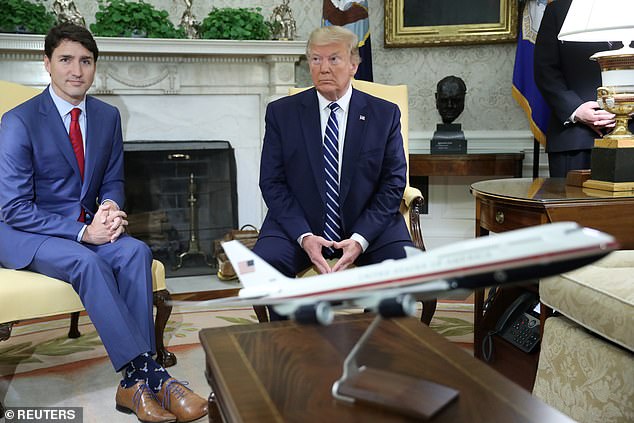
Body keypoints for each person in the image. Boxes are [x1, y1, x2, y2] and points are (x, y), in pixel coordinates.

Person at [0, 24, 207, 423]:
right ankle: (148, 375)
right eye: (65, 60)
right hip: (28, 233)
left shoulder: (107, 116)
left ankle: (134, 386)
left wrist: (109, 208)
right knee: (89, 262)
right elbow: (12, 207)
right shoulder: (18, 121)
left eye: (86, 61)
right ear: (47, 64)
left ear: (94, 67)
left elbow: (112, 178)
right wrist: (83, 233)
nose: (76, 70)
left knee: (135, 251)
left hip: (87, 225)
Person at [253, 25, 413, 319]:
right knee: (265, 266)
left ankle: (378, 346)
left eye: (334, 59)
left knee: (402, 266)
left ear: (354, 64)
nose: (323, 68)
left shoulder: (384, 114)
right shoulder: (281, 113)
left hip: (368, 223)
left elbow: (392, 184)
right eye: (316, 59)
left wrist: (361, 238)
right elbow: (272, 182)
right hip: (299, 223)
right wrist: (304, 236)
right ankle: (287, 350)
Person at [534, 0, 622, 177]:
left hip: (631, 130)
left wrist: (626, 108)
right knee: (572, 203)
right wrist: (576, 110)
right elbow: (545, 69)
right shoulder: (557, 10)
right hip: (574, 137)